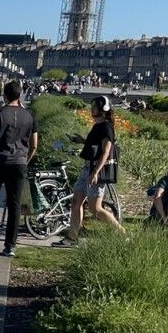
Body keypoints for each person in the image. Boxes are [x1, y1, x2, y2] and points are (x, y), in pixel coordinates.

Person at [0, 80, 38, 257]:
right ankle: (10, 245)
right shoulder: (29, 115)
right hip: (19, 163)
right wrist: (26, 160)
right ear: (20, 95)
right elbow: (34, 145)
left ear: (4, 95)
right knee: (14, 204)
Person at [66, 94, 125, 243]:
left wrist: (95, 172)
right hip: (87, 168)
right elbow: (96, 146)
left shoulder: (107, 127)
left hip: (95, 171)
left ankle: (122, 233)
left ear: (103, 109)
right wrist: (82, 141)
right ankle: (73, 237)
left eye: (94, 107)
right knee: (76, 203)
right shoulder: (97, 126)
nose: (92, 109)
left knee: (95, 208)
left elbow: (106, 152)